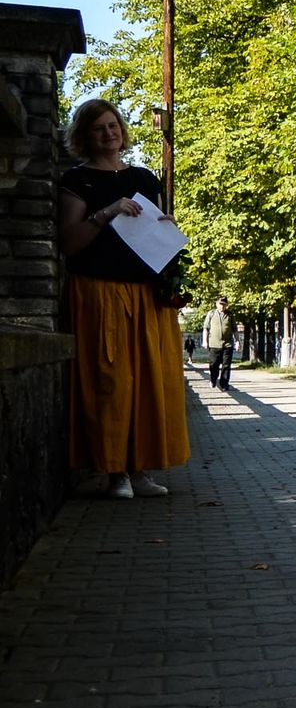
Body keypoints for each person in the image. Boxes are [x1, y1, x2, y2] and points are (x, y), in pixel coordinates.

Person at [55, 99, 189, 499]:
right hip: (99, 291)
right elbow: (70, 243)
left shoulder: (144, 178)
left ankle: (140, 469)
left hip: (145, 293)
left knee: (149, 382)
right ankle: (115, 473)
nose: (109, 134)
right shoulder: (77, 180)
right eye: (99, 128)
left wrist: (166, 227)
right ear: (84, 135)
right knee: (111, 381)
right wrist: (106, 213)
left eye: (113, 126)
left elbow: (156, 228)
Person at [203, 296, 234, 390]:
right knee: (213, 364)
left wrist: (237, 341)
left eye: (224, 305)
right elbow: (206, 328)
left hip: (227, 344)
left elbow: (235, 329)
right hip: (214, 344)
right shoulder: (211, 313)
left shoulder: (230, 315)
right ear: (217, 304)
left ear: (226, 305)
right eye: (220, 304)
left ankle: (224, 384)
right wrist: (205, 341)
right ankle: (213, 379)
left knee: (226, 365)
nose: (222, 306)